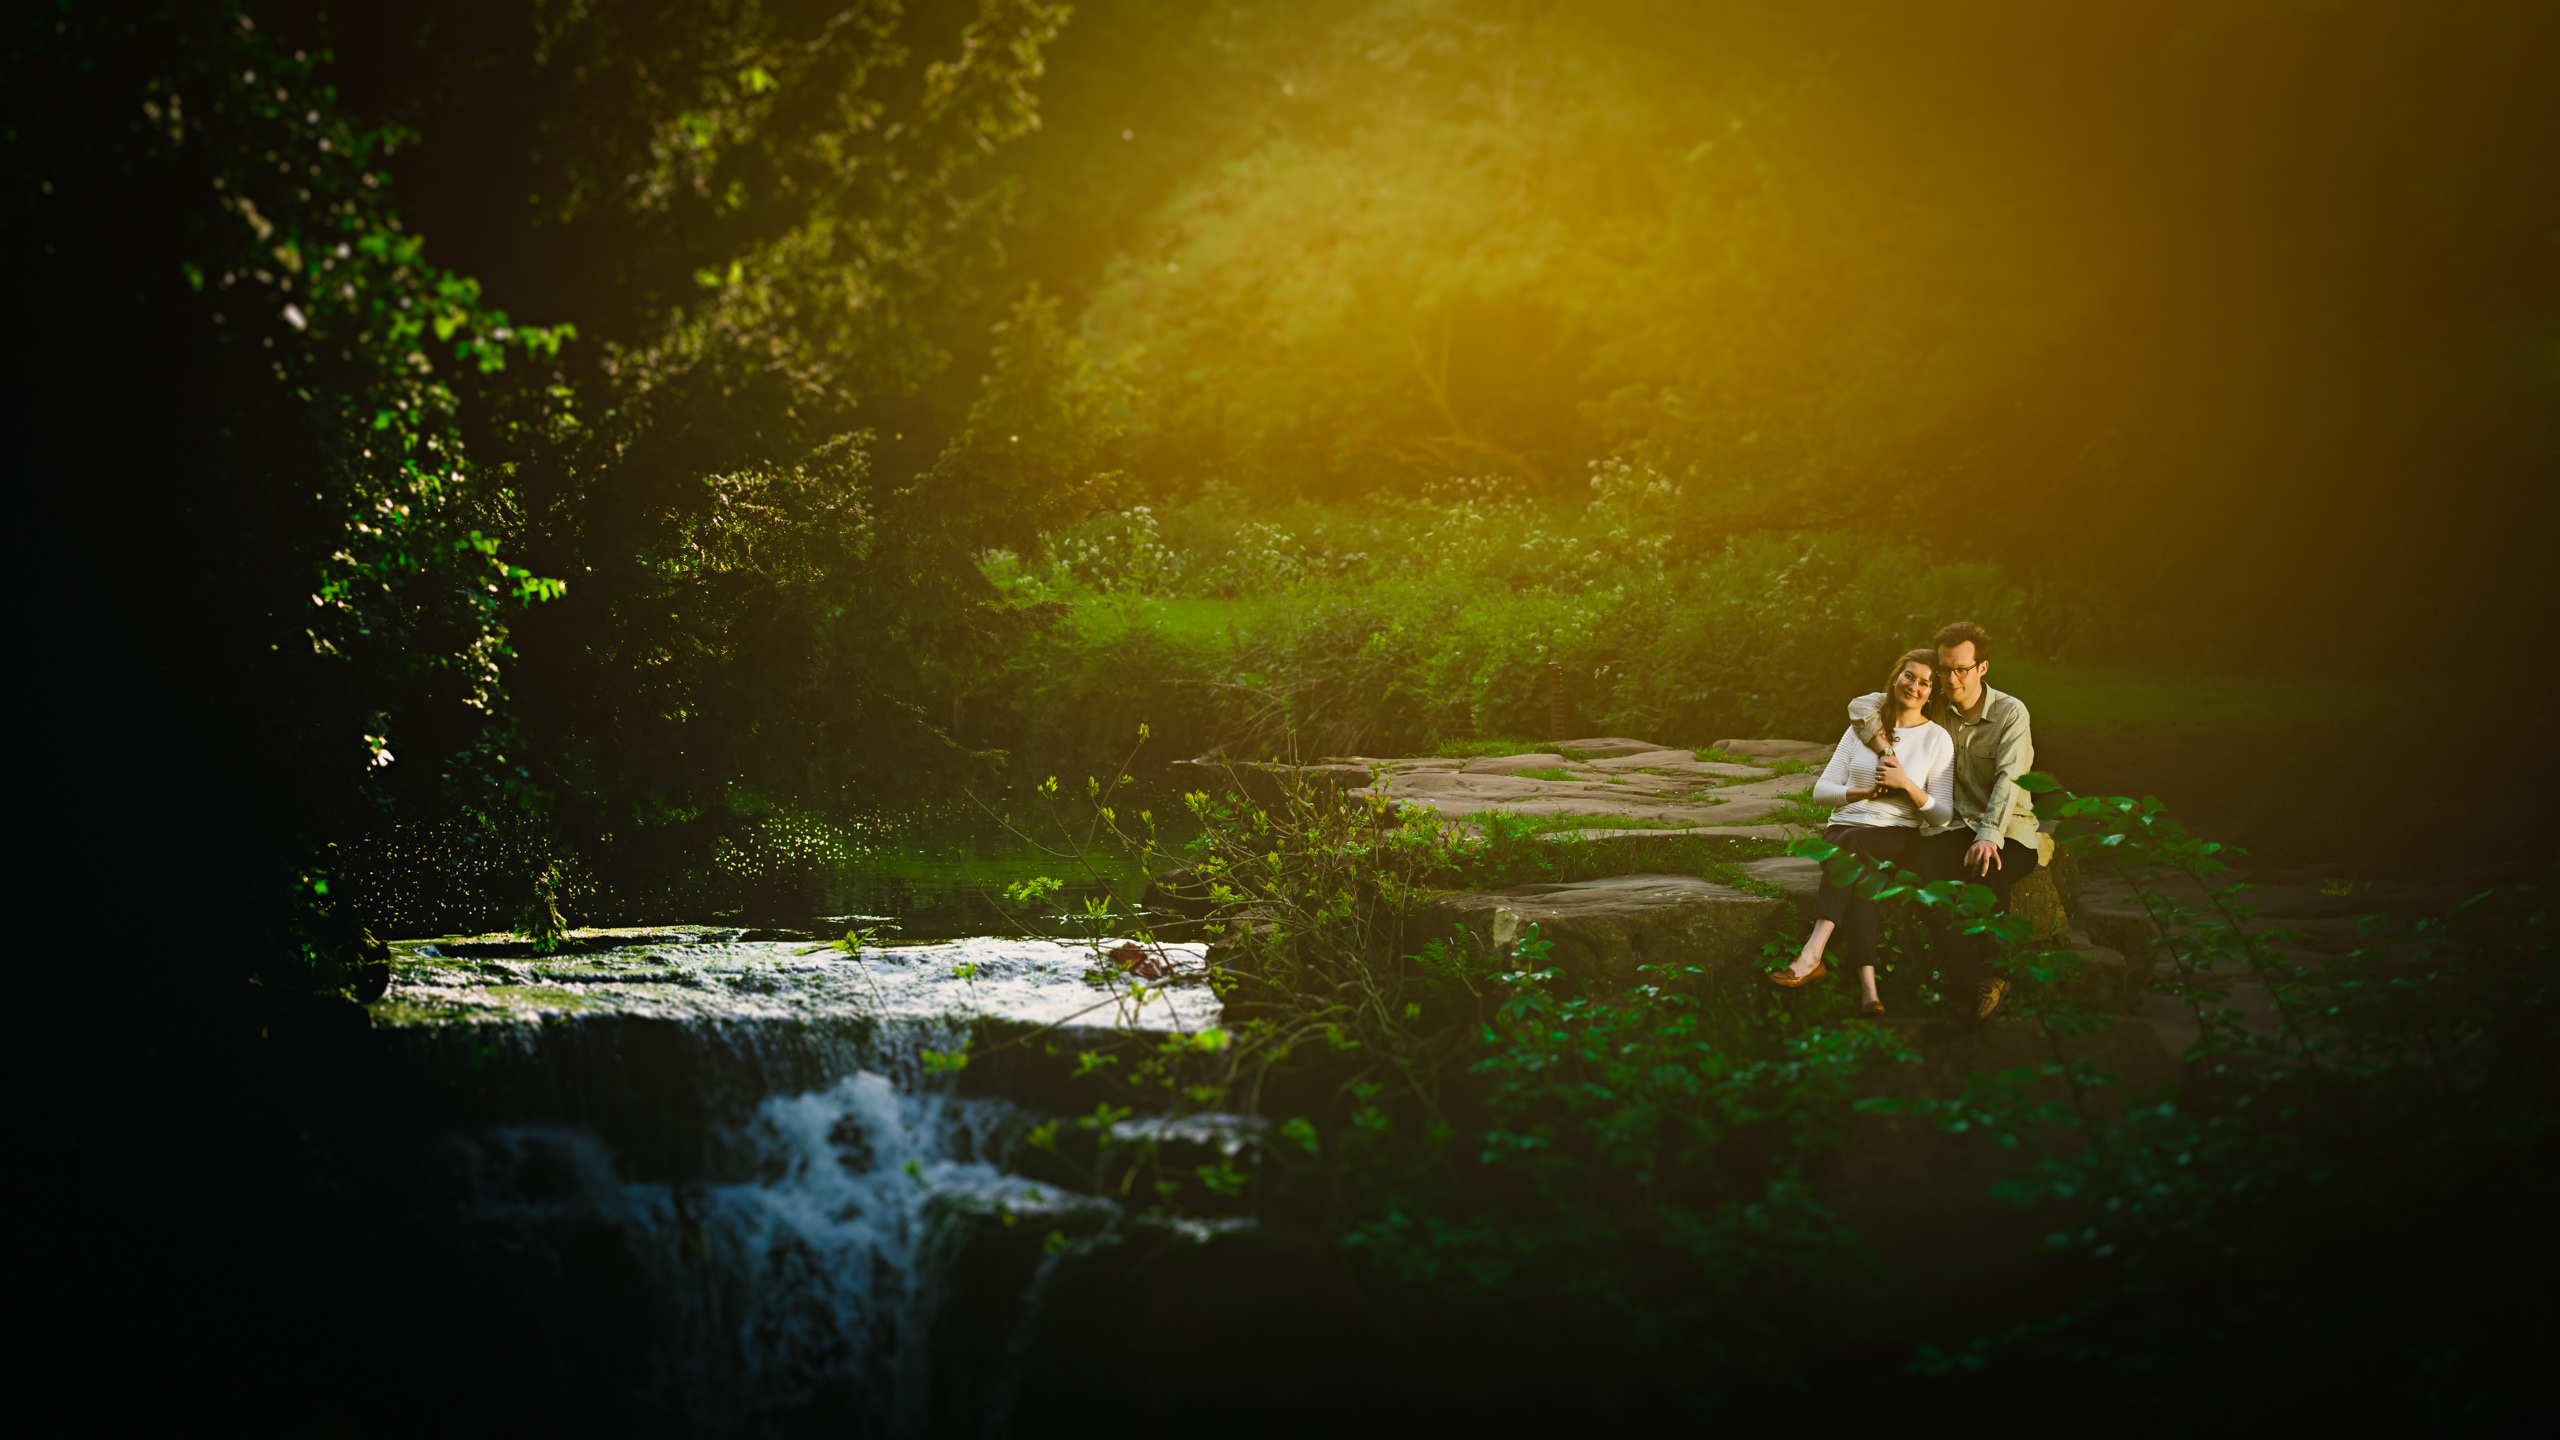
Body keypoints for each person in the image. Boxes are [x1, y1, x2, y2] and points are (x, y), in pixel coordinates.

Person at [1846, 619, 2041, 1023]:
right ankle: (1968, 984)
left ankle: (1992, 975)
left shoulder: (2010, 713)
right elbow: (1863, 706)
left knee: (1988, 874)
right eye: (1945, 669)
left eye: (1961, 669)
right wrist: (1885, 750)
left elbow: (2011, 778)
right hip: (1952, 827)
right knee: (1926, 879)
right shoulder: (1935, 707)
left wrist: (1988, 836)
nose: (1952, 679)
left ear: (1981, 668)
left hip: (2007, 829)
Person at [1768, 648, 1954, 1014]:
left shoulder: (1936, 739)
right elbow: (1821, 792)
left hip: (1893, 832)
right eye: (1909, 676)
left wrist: (1907, 785)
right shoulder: (1863, 727)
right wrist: (1862, 792)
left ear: (1932, 693)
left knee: (1852, 848)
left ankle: (1812, 953)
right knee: (1860, 877)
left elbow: (1942, 816)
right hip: (1843, 827)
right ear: (1896, 676)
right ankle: (1869, 992)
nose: (1914, 686)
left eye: (1924, 683)